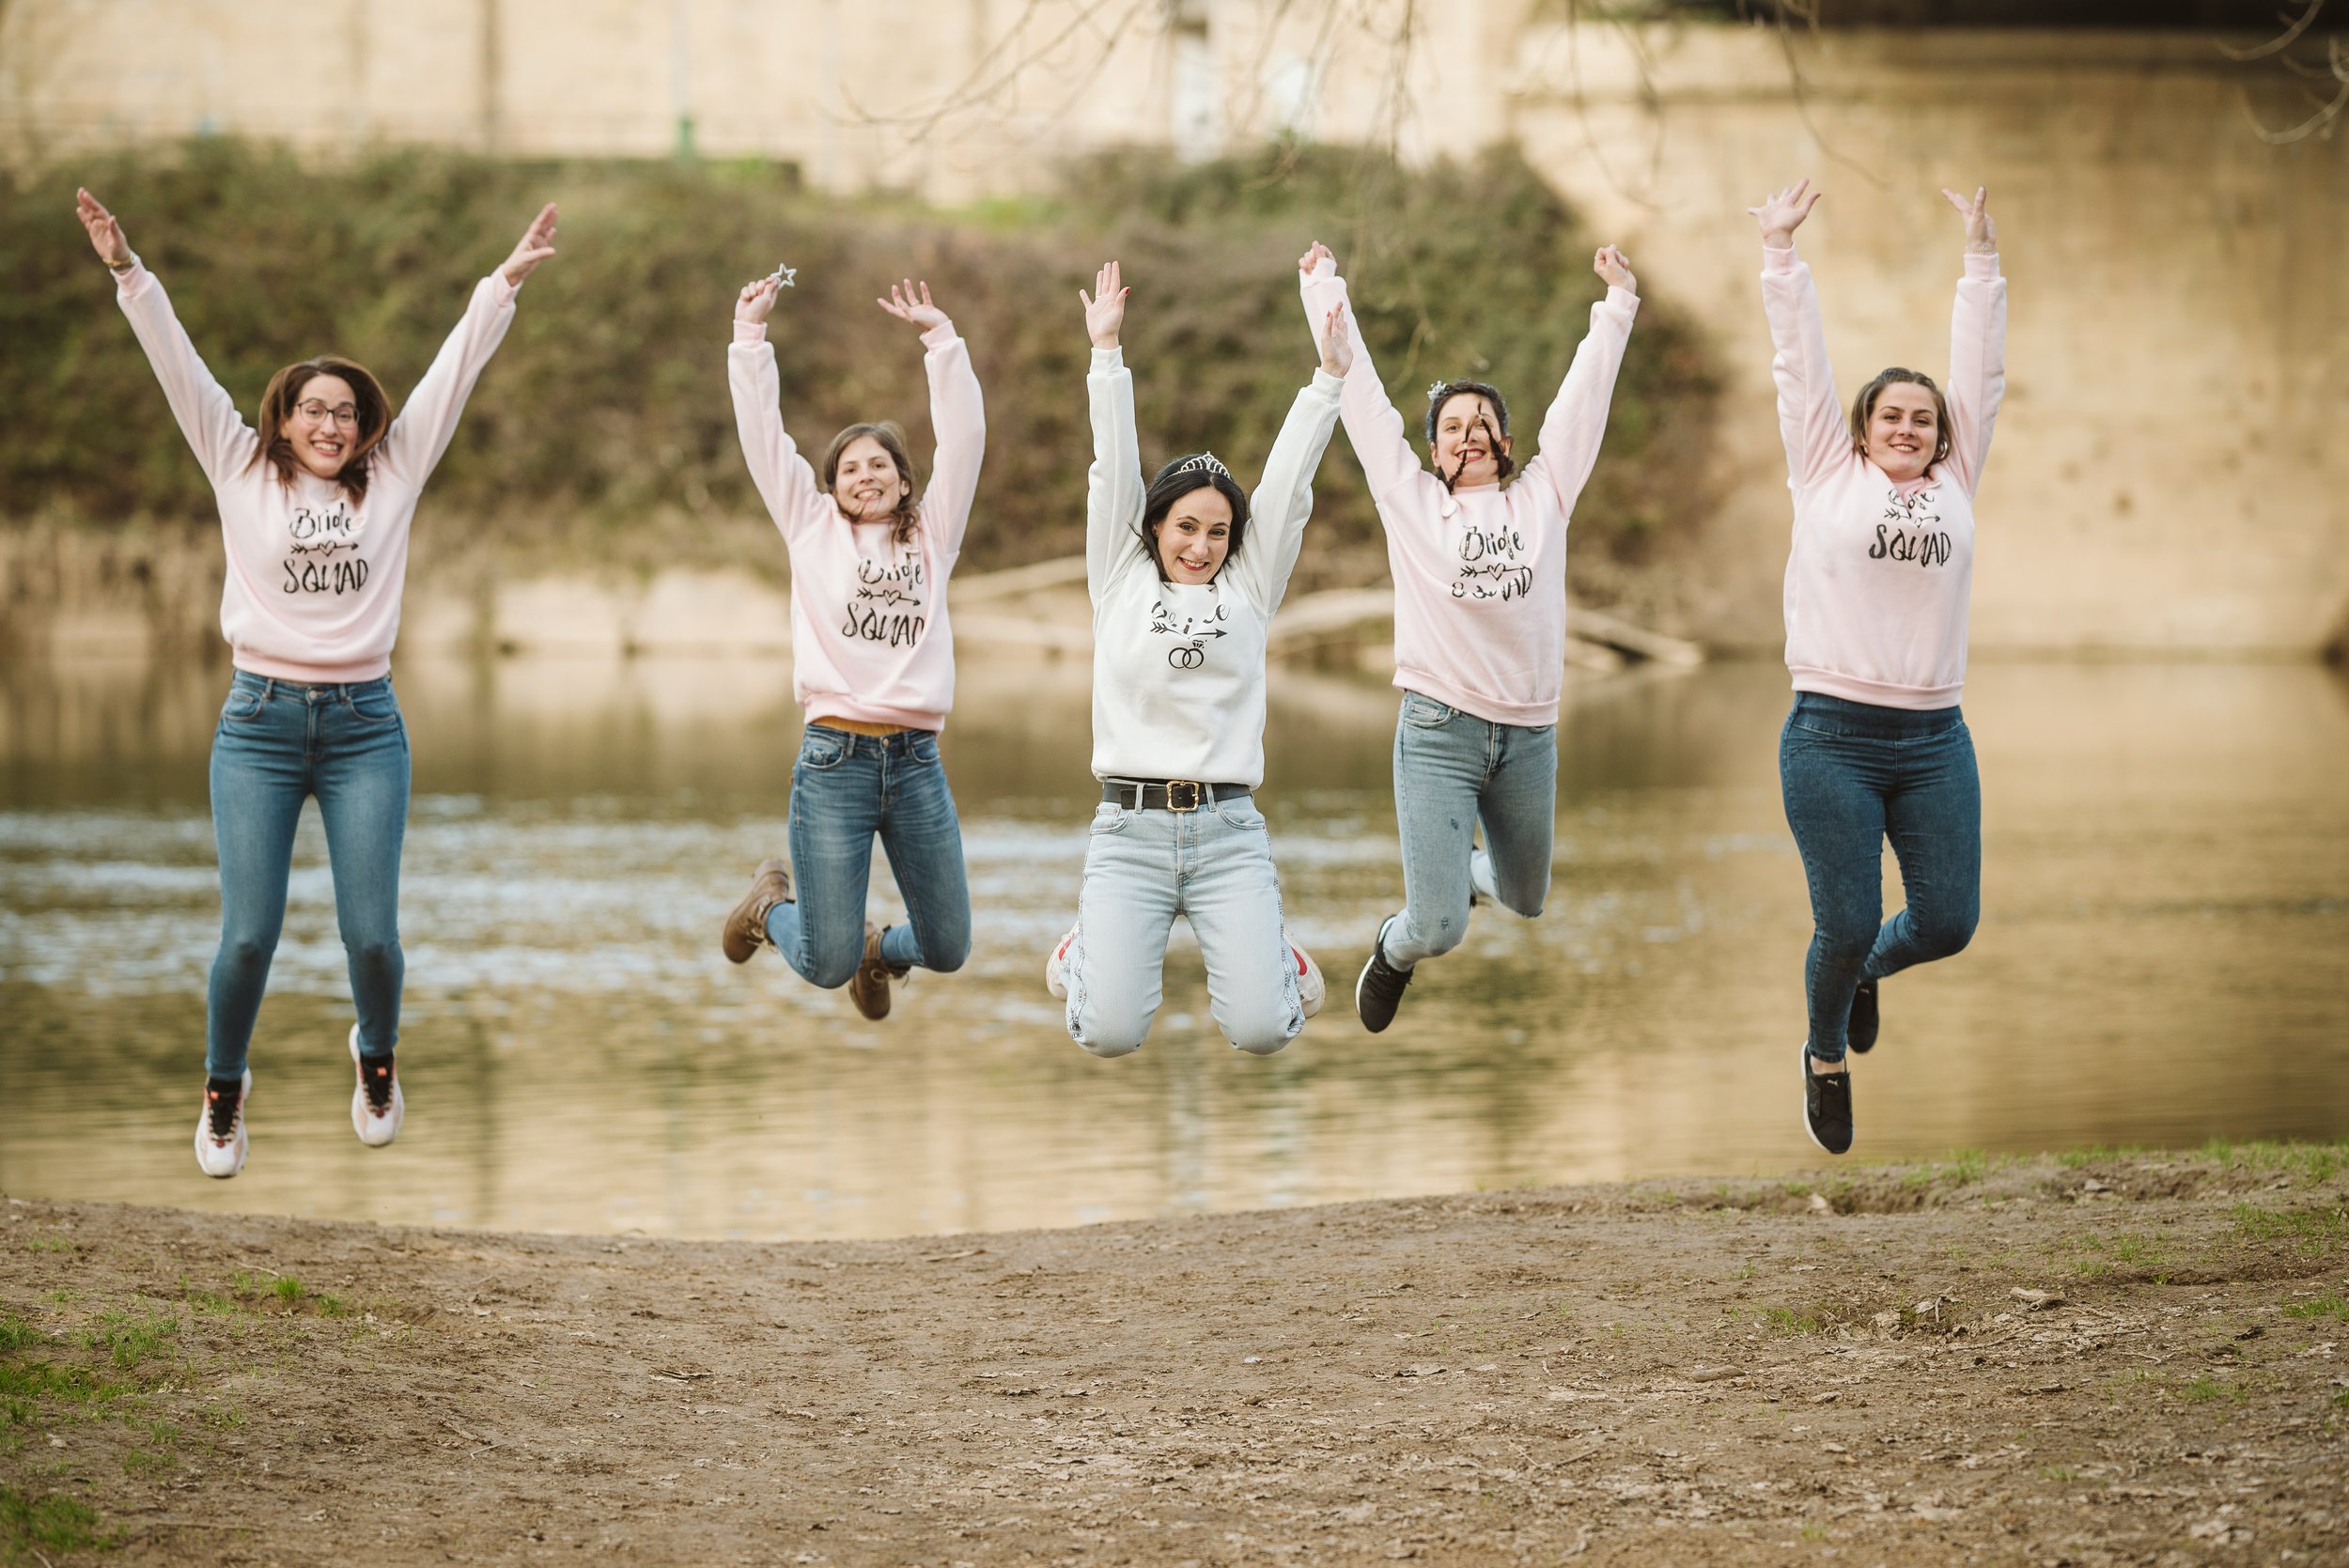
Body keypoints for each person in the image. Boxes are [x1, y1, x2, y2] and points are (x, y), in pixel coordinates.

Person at [75, 187, 558, 1177]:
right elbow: (178, 362)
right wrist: (129, 270)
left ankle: (375, 1056)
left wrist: (500, 286)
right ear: (283, 421)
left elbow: (448, 376)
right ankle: (223, 1088)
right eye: (313, 409)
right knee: (247, 937)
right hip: (255, 723)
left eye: (345, 411)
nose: (330, 424)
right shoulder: (236, 465)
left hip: (363, 728)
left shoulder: (396, 473)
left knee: (371, 938)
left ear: (364, 424)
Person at [1296, 240, 1640, 1032]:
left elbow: (1583, 400)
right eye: (1453, 425)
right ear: (1432, 447)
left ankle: (1471, 880)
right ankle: (1395, 945)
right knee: (1439, 927)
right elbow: (1364, 398)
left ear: (1507, 444)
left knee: (1525, 897)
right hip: (1440, 729)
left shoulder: (1546, 495)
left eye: (1484, 422)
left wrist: (1617, 305)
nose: (1471, 433)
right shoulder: (1409, 499)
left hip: (1528, 734)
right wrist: (1323, 288)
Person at [1750, 179, 2007, 1156]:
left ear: (1942, 437)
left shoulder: (1957, 480)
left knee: (1945, 922)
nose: (1907, 427)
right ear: (1860, 428)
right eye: (1890, 416)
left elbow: (1979, 375)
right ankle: (1822, 1054)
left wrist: (1978, 255)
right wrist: (1781, 254)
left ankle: (1862, 976)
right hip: (1830, 738)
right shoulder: (1823, 470)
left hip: (1935, 738)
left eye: (1922, 419)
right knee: (1846, 914)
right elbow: (1797, 368)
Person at [1047, 259, 1346, 1057]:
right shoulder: (1118, 576)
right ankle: (1080, 953)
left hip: (1226, 833)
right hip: (1129, 830)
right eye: (1185, 526)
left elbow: (1286, 488)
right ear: (1154, 527)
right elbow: (1112, 467)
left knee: (1260, 1031)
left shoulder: (1249, 587)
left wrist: (1326, 381)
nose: (1201, 545)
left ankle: (1281, 961)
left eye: (1218, 531)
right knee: (1106, 1034)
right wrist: (1105, 355)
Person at [718, 270, 984, 1023]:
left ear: (905, 481)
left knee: (947, 944)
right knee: (823, 961)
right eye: (850, 467)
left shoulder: (935, 537)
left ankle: (882, 950)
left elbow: (965, 438)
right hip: (834, 759)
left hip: (915, 762)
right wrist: (750, 339)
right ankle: (769, 908)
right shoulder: (811, 528)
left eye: (880, 465)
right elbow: (763, 437)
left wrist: (941, 340)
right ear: (831, 485)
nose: (865, 475)